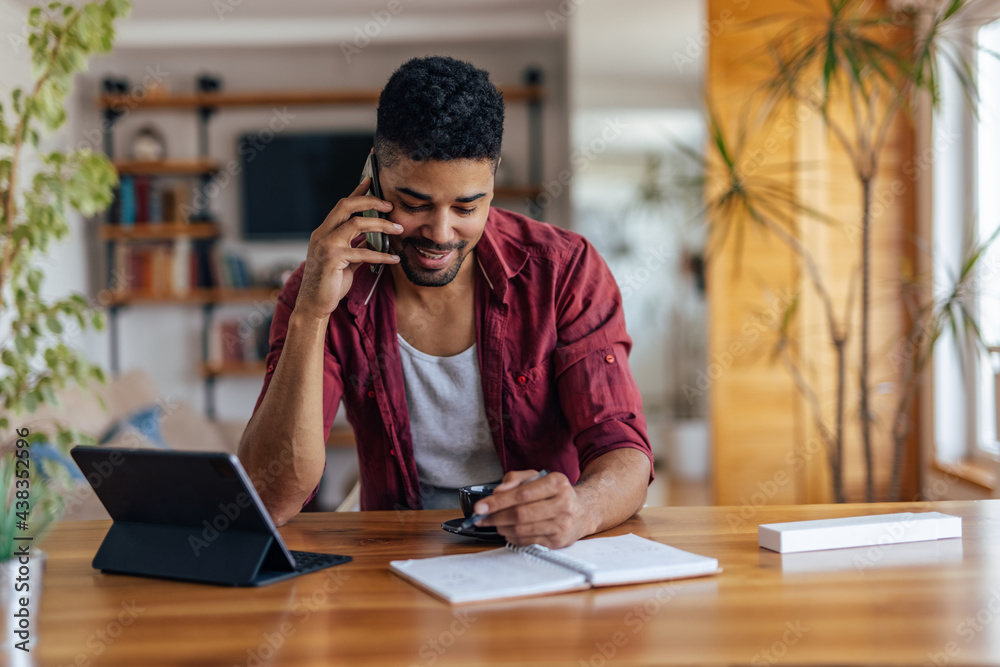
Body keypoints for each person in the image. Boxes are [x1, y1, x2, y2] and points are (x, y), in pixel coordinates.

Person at [239, 55, 653, 549]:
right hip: (394, 559)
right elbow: (270, 497)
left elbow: (623, 449)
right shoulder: (318, 289)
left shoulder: (565, 271)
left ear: (494, 178)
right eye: (414, 204)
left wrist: (580, 510)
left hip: (541, 553)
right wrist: (311, 313)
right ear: (373, 172)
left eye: (466, 206)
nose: (440, 234)